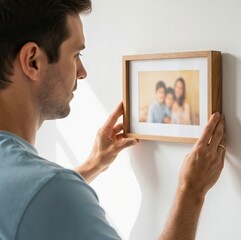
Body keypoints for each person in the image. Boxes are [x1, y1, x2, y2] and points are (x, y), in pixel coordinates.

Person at [0, 0, 226, 240]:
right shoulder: (51, 191)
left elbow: (23, 201)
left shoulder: (28, 184)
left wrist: (92, 165)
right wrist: (191, 190)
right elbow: (41, 197)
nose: (82, 71)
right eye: (76, 54)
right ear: (32, 61)